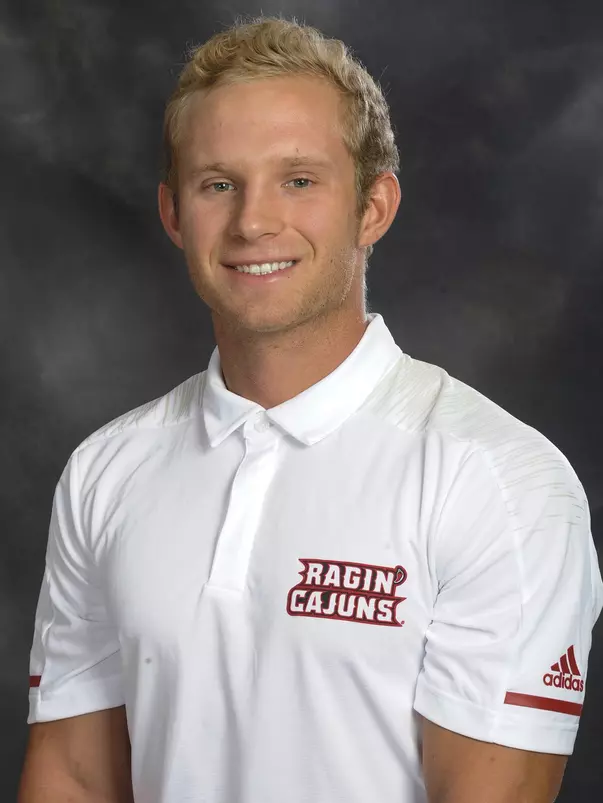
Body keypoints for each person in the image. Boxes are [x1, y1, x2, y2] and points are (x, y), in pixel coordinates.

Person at [18, 16, 603, 803]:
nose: (253, 221)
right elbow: (75, 777)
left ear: (373, 207)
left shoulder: (499, 483)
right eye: (217, 183)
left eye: (298, 179)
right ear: (172, 214)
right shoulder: (105, 472)